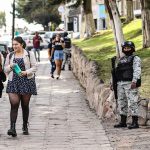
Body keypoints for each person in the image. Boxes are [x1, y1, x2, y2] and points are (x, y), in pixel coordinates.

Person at [4, 36, 37, 137]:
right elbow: (5, 69)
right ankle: (12, 128)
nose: (14, 46)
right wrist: (10, 66)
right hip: (13, 82)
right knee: (14, 104)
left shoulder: (29, 54)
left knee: (25, 105)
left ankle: (24, 125)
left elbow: (35, 67)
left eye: (16, 44)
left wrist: (26, 72)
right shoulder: (10, 55)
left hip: (27, 81)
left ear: (21, 44)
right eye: (13, 44)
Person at [112, 41, 141, 129]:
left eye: (128, 48)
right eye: (125, 48)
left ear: (132, 48)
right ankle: (123, 121)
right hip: (120, 83)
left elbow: (137, 70)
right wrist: (112, 83)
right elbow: (116, 72)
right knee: (122, 102)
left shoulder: (135, 58)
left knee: (132, 102)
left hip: (130, 83)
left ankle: (135, 122)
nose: (126, 49)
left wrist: (134, 81)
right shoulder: (121, 59)